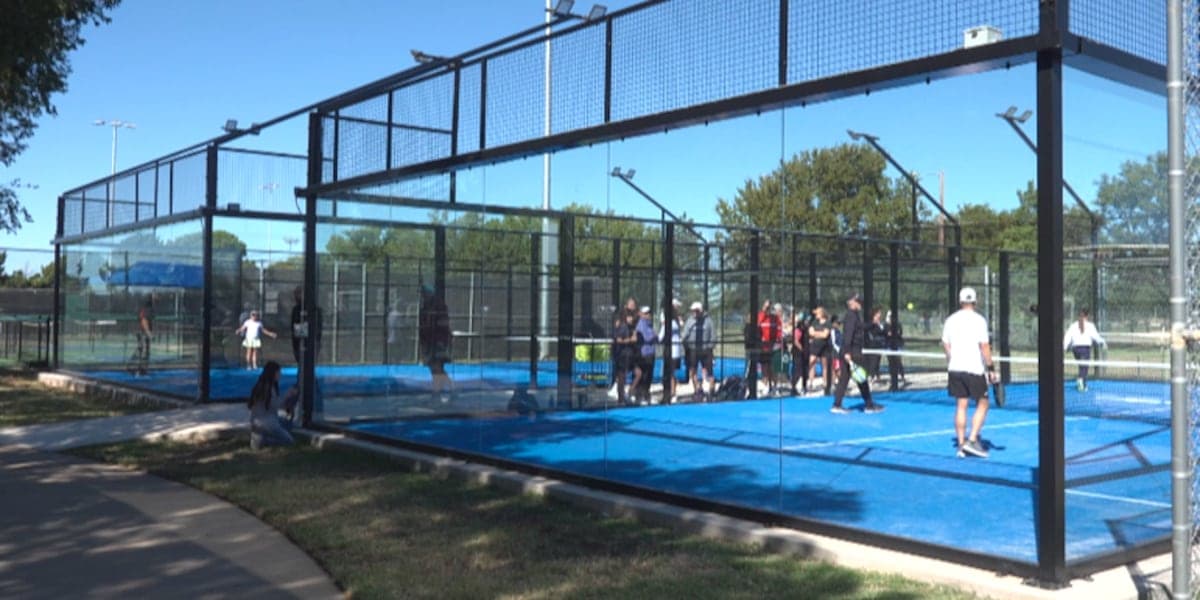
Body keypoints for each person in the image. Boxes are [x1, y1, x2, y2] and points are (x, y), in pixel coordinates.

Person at [942, 287, 997, 458]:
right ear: (975, 301)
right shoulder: (979, 320)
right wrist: (991, 368)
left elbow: (945, 343)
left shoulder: (950, 320)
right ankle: (972, 440)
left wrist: (953, 358)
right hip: (974, 369)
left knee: (961, 405)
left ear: (960, 301)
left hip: (955, 369)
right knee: (984, 403)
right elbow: (985, 346)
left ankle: (961, 446)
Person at [831, 293, 884, 414]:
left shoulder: (854, 315)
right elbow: (848, 335)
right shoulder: (851, 316)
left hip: (850, 351)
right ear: (851, 302)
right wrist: (848, 352)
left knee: (845, 379)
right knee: (861, 378)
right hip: (852, 352)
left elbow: (860, 327)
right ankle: (869, 405)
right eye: (858, 302)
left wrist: (873, 323)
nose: (860, 304)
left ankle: (837, 405)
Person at [248, 361, 299, 449]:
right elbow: (276, 405)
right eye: (279, 372)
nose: (280, 374)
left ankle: (259, 435)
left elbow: (274, 405)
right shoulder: (268, 388)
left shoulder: (261, 385)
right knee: (289, 441)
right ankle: (264, 441)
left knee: (288, 423)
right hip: (268, 423)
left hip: (258, 421)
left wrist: (289, 403)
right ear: (273, 373)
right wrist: (287, 395)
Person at [419, 284, 454, 403]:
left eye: (424, 293)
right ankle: (449, 390)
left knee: (437, 368)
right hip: (430, 342)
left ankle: (438, 393)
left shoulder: (438, 306)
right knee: (435, 369)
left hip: (438, 342)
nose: (423, 295)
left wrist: (442, 342)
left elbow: (444, 325)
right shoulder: (426, 306)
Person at [1063, 308, 1106, 391]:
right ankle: (1081, 382)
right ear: (1087, 316)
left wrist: (1064, 347)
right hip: (1084, 349)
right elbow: (1095, 337)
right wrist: (1102, 342)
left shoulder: (1073, 325)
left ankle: (1083, 383)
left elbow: (1067, 337)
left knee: (1081, 367)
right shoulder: (1090, 326)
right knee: (1084, 367)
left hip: (1075, 350)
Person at [681, 301, 716, 401]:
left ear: (701, 311)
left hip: (706, 350)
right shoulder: (690, 321)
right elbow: (684, 335)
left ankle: (711, 391)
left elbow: (713, 335)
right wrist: (686, 346)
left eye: (697, 311)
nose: (695, 313)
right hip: (693, 350)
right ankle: (697, 390)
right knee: (693, 370)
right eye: (693, 311)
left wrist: (709, 347)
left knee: (709, 371)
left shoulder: (708, 321)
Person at [290, 285, 323, 366]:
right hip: (298, 342)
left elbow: (316, 327)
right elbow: (294, 326)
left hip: (312, 342)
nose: (296, 296)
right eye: (295, 294)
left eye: (298, 293)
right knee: (301, 363)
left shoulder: (314, 309)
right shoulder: (296, 310)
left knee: (310, 363)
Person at [658, 299, 684, 403]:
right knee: (671, 372)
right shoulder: (674, 321)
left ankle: (670, 393)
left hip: (672, 351)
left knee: (670, 373)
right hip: (674, 350)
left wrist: (657, 340)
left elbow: (661, 336)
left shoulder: (673, 322)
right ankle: (671, 392)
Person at [631, 306, 658, 404]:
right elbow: (646, 338)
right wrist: (654, 336)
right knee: (643, 375)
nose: (648, 315)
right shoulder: (640, 324)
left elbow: (656, 337)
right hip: (644, 354)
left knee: (649, 375)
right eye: (646, 313)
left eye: (649, 313)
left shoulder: (650, 324)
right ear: (641, 314)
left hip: (651, 353)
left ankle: (646, 395)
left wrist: (655, 336)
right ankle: (640, 396)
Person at [612, 310, 638, 405]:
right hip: (622, 355)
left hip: (630, 356)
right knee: (621, 377)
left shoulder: (632, 327)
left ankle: (627, 394)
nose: (630, 319)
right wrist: (629, 340)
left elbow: (635, 338)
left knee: (636, 373)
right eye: (629, 317)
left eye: (632, 317)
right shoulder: (622, 327)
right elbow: (618, 340)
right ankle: (620, 399)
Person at [757, 300, 781, 396]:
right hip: (763, 347)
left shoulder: (775, 318)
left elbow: (779, 330)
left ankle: (774, 386)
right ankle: (766, 386)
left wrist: (778, 341)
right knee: (764, 367)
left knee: (773, 367)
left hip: (773, 347)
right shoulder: (761, 316)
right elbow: (758, 323)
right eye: (767, 307)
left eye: (769, 307)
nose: (768, 309)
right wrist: (764, 310)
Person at [806, 306, 832, 394]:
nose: (816, 315)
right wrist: (819, 333)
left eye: (817, 313)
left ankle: (825, 384)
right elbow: (811, 332)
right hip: (815, 345)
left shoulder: (827, 323)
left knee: (824, 365)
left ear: (821, 313)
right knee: (811, 362)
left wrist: (816, 334)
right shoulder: (814, 322)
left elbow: (825, 335)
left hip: (824, 346)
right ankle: (810, 383)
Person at [884, 310, 909, 391]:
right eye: (890, 316)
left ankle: (902, 376)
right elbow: (887, 334)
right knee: (890, 362)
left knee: (898, 361)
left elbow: (899, 333)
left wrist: (894, 333)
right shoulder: (886, 325)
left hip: (897, 345)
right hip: (888, 345)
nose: (891, 318)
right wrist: (891, 333)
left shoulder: (898, 324)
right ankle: (893, 378)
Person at [865, 307, 887, 383]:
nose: (880, 315)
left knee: (877, 361)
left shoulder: (880, 323)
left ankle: (877, 376)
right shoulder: (871, 323)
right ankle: (871, 376)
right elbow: (873, 332)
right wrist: (874, 324)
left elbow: (884, 332)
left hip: (879, 345)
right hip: (873, 345)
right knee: (873, 361)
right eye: (878, 313)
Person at [789, 311, 808, 395]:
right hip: (798, 353)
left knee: (803, 370)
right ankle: (793, 386)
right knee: (798, 370)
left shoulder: (805, 329)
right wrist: (802, 349)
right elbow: (796, 341)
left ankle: (802, 386)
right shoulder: (798, 329)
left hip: (802, 352)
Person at [134, 296, 154, 376]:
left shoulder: (148, 310)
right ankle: (139, 370)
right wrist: (148, 333)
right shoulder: (146, 310)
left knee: (145, 351)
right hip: (143, 333)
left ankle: (143, 370)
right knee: (143, 352)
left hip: (144, 333)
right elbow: (143, 321)